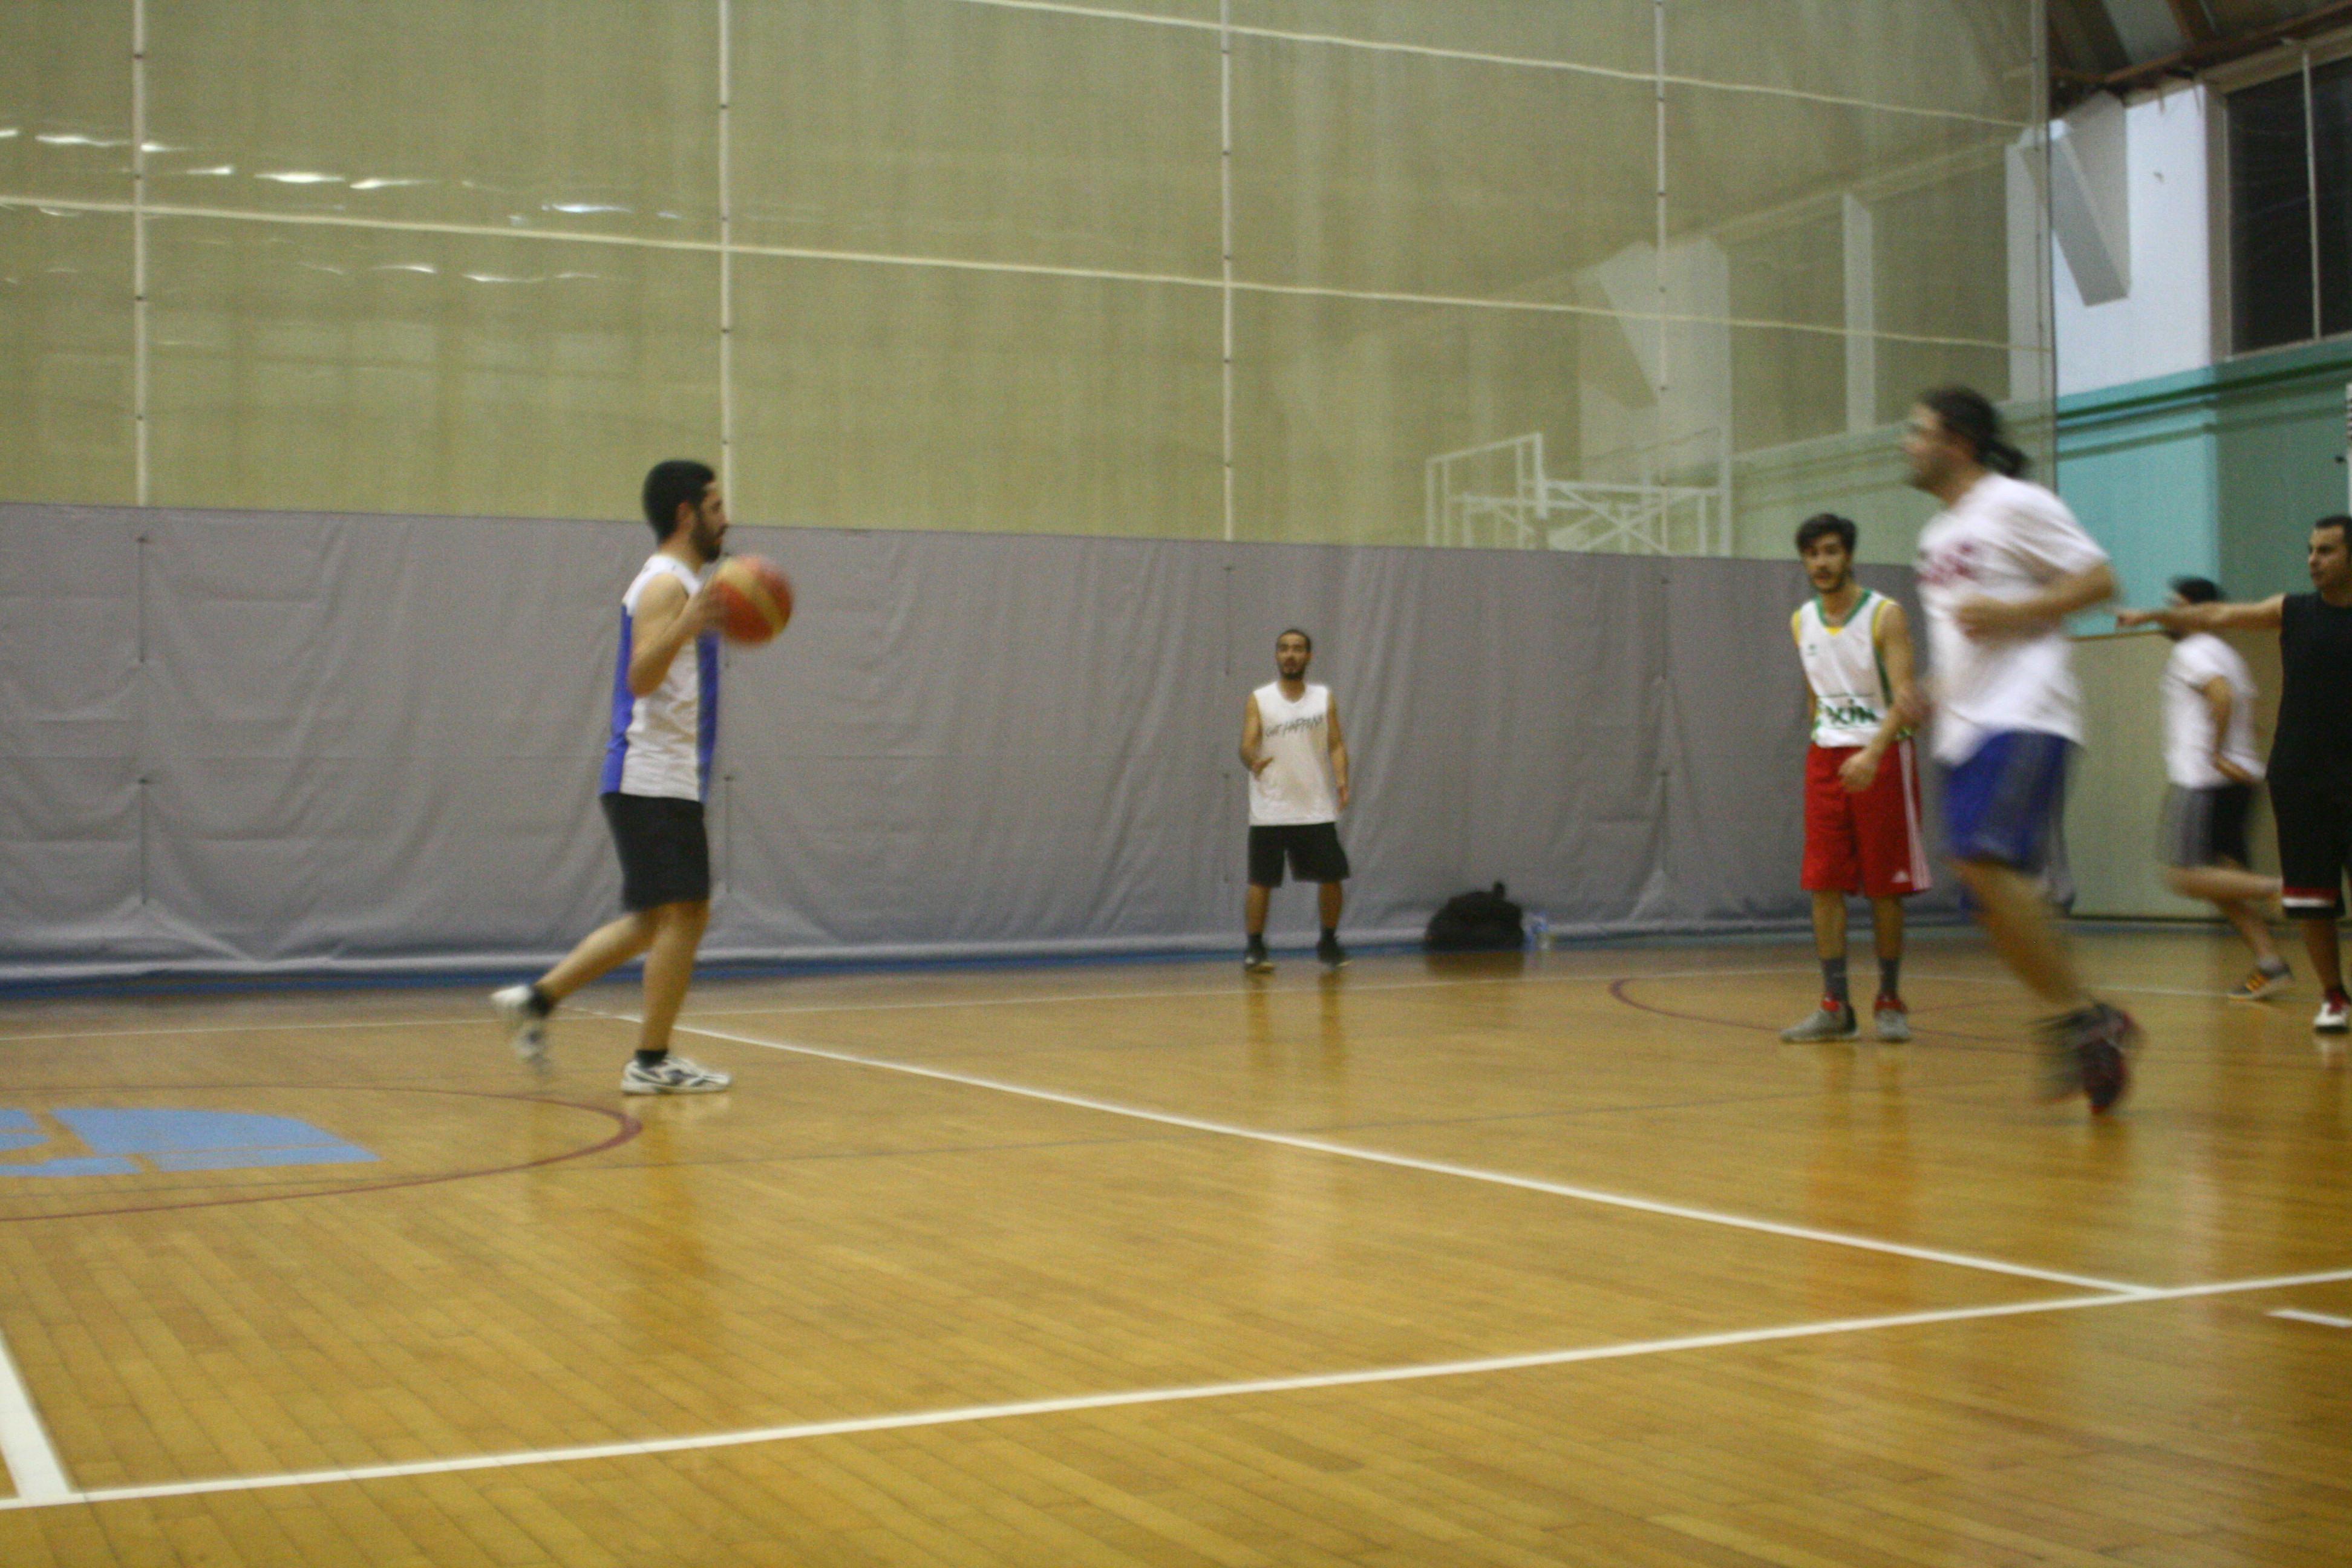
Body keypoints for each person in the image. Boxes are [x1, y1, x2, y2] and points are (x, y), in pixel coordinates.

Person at [1855, 387, 2138, 1108]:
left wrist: (2018, 610)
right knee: (1985, 897)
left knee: (1984, 860)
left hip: (2026, 714)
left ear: (1958, 441)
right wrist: (1929, 691)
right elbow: (1967, 639)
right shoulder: (1935, 537)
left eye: (1917, 430)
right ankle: (2087, 1020)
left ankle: (2083, 1020)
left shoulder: (2015, 503)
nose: (1906, 443)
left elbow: (2101, 579)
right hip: (1966, 727)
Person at [489, 460, 737, 1093]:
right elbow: (642, 676)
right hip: (651, 775)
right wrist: (686, 625)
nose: (726, 519)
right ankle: (651, 1061)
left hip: (661, 777)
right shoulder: (664, 585)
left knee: (658, 920)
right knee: (687, 914)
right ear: (685, 514)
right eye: (715, 507)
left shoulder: (681, 582)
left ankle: (537, 1000)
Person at [2118, 517, 2352, 1033]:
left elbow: (2222, 695)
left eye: (2327, 551)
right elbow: (2219, 616)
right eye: (2310, 550)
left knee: (2198, 873)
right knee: (2296, 897)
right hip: (2299, 777)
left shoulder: (2203, 654)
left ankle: (2274, 914)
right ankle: (2323, 991)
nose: (2313, 560)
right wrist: (2153, 614)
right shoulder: (2292, 612)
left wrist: (2217, 750)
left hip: (2295, 776)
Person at [1780, 514, 1930, 1044]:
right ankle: (1835, 1005)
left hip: (1883, 756)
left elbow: (1906, 699)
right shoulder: (1802, 621)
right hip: (1827, 759)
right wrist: (1824, 742)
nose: (1821, 563)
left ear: (1849, 555)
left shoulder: (1885, 615)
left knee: (1885, 887)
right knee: (1823, 882)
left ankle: (1889, 998)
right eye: (1812, 554)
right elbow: (1814, 693)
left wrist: (1872, 752)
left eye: (1830, 551)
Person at [2148, 577, 2290, 999]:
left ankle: (2282, 889)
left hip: (2203, 780)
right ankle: (2271, 964)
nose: (2169, 613)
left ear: (2196, 611)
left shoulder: (2192, 650)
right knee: (2224, 881)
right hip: (2240, 781)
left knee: (2185, 875)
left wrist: (2213, 753)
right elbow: (2251, 712)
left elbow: (2221, 696)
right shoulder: (2229, 654)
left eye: (2176, 605)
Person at [1240, 629, 1352, 973]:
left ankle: (1329, 942)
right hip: (1271, 808)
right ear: (1277, 655)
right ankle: (1255, 948)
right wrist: (1252, 760)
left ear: (1308, 656)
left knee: (1332, 877)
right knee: (1261, 881)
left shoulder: (1323, 698)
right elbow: (1247, 744)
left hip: (1314, 808)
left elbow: (1335, 744)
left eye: (1298, 649)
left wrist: (1342, 780)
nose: (1291, 655)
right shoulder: (1260, 699)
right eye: (1285, 649)